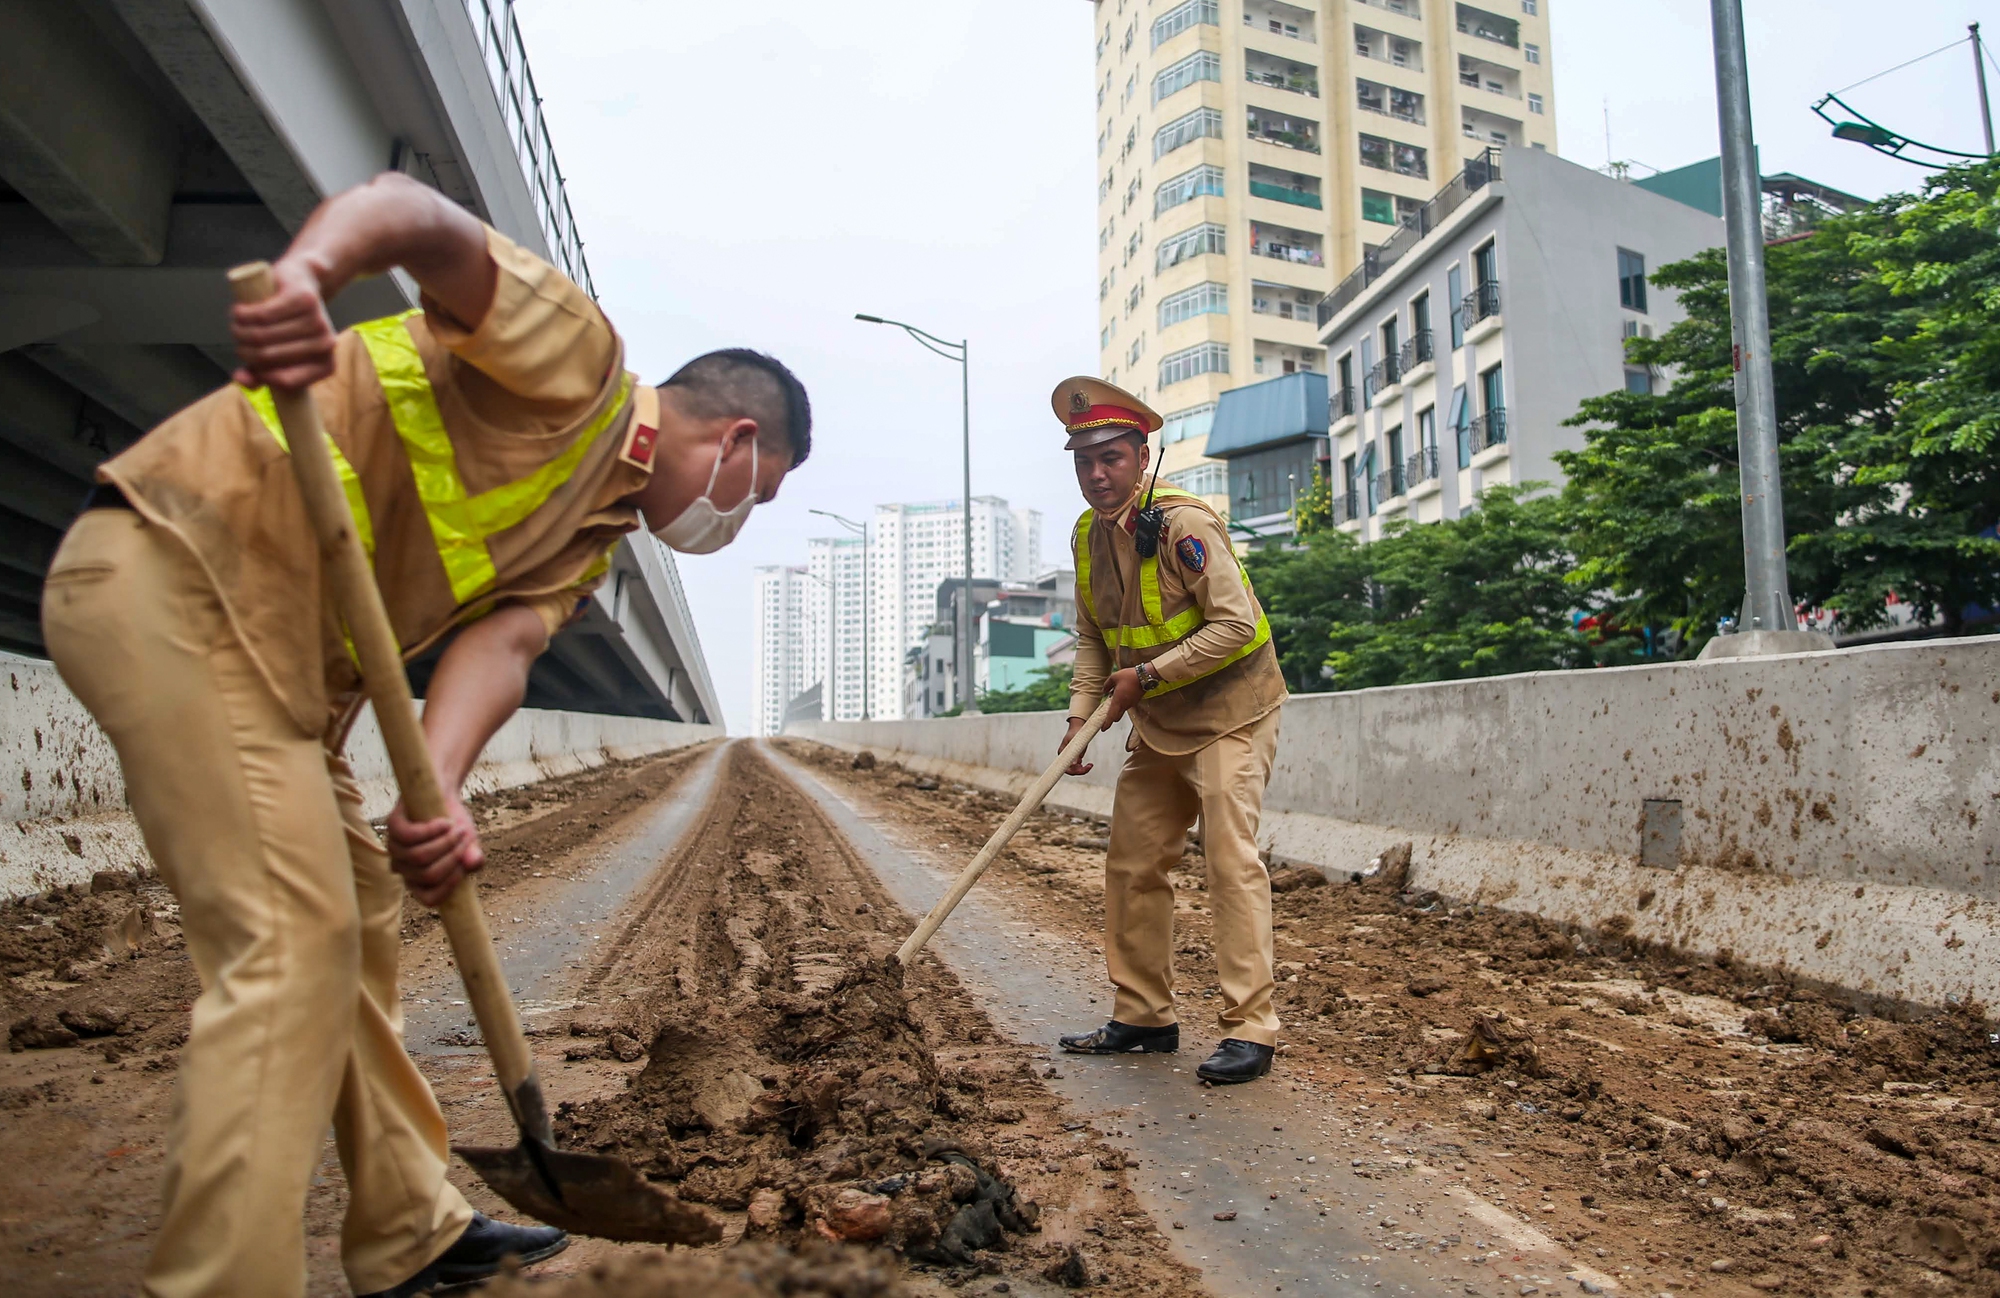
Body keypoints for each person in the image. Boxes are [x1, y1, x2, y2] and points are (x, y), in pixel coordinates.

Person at [38, 172, 811, 1298]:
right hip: (185, 577)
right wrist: (309, 276)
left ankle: (408, 1223)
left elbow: (497, 648)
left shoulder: (592, 532)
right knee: (294, 940)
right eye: (755, 495)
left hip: (283, 674)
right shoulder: (578, 359)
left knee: (357, 910)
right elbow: (412, 212)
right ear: (736, 437)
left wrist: (434, 792)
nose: (731, 522)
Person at [1047, 376, 1288, 1086]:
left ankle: (1251, 1029)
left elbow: (1237, 625)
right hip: (1155, 722)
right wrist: (1077, 718)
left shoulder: (1187, 526)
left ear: (1142, 455)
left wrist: (1145, 679)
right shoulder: (1088, 536)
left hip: (1231, 714)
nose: (1097, 474)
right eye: (1084, 461)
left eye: (1111, 458)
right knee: (1132, 862)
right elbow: (1094, 637)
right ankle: (1144, 1016)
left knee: (1227, 857)